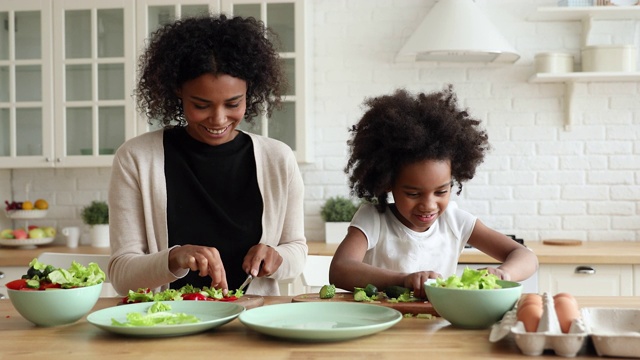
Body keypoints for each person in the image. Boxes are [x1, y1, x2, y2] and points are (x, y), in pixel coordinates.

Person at [107, 14, 307, 296]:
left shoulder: (278, 159)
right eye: (201, 105)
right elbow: (121, 275)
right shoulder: (137, 158)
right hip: (167, 323)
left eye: (233, 103)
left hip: (252, 323)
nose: (218, 119)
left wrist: (277, 257)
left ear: (250, 91)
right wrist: (174, 258)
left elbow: (297, 249)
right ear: (178, 92)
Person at [329, 87, 538, 299]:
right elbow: (340, 269)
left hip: (437, 325)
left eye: (441, 192)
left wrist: (503, 273)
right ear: (388, 183)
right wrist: (403, 280)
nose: (428, 205)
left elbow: (525, 256)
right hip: (382, 324)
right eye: (413, 194)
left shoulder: (455, 221)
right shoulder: (374, 220)